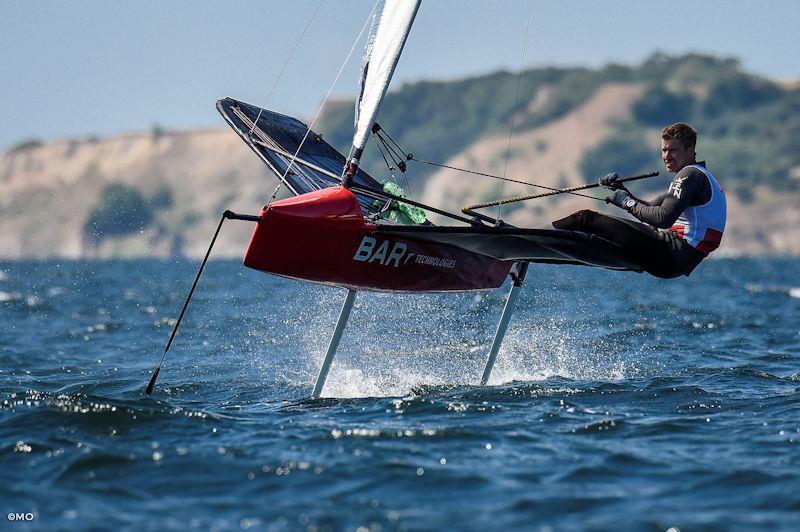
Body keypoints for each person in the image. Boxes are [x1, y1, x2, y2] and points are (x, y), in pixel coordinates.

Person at [552, 123, 726, 278]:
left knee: (586, 219)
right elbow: (650, 208)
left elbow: (662, 218)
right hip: (675, 260)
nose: (666, 156)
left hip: (670, 253)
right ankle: (556, 243)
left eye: (673, 150)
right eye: (664, 150)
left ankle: (539, 238)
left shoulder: (690, 175)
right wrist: (622, 192)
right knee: (600, 229)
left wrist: (625, 201)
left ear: (690, 150)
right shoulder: (702, 177)